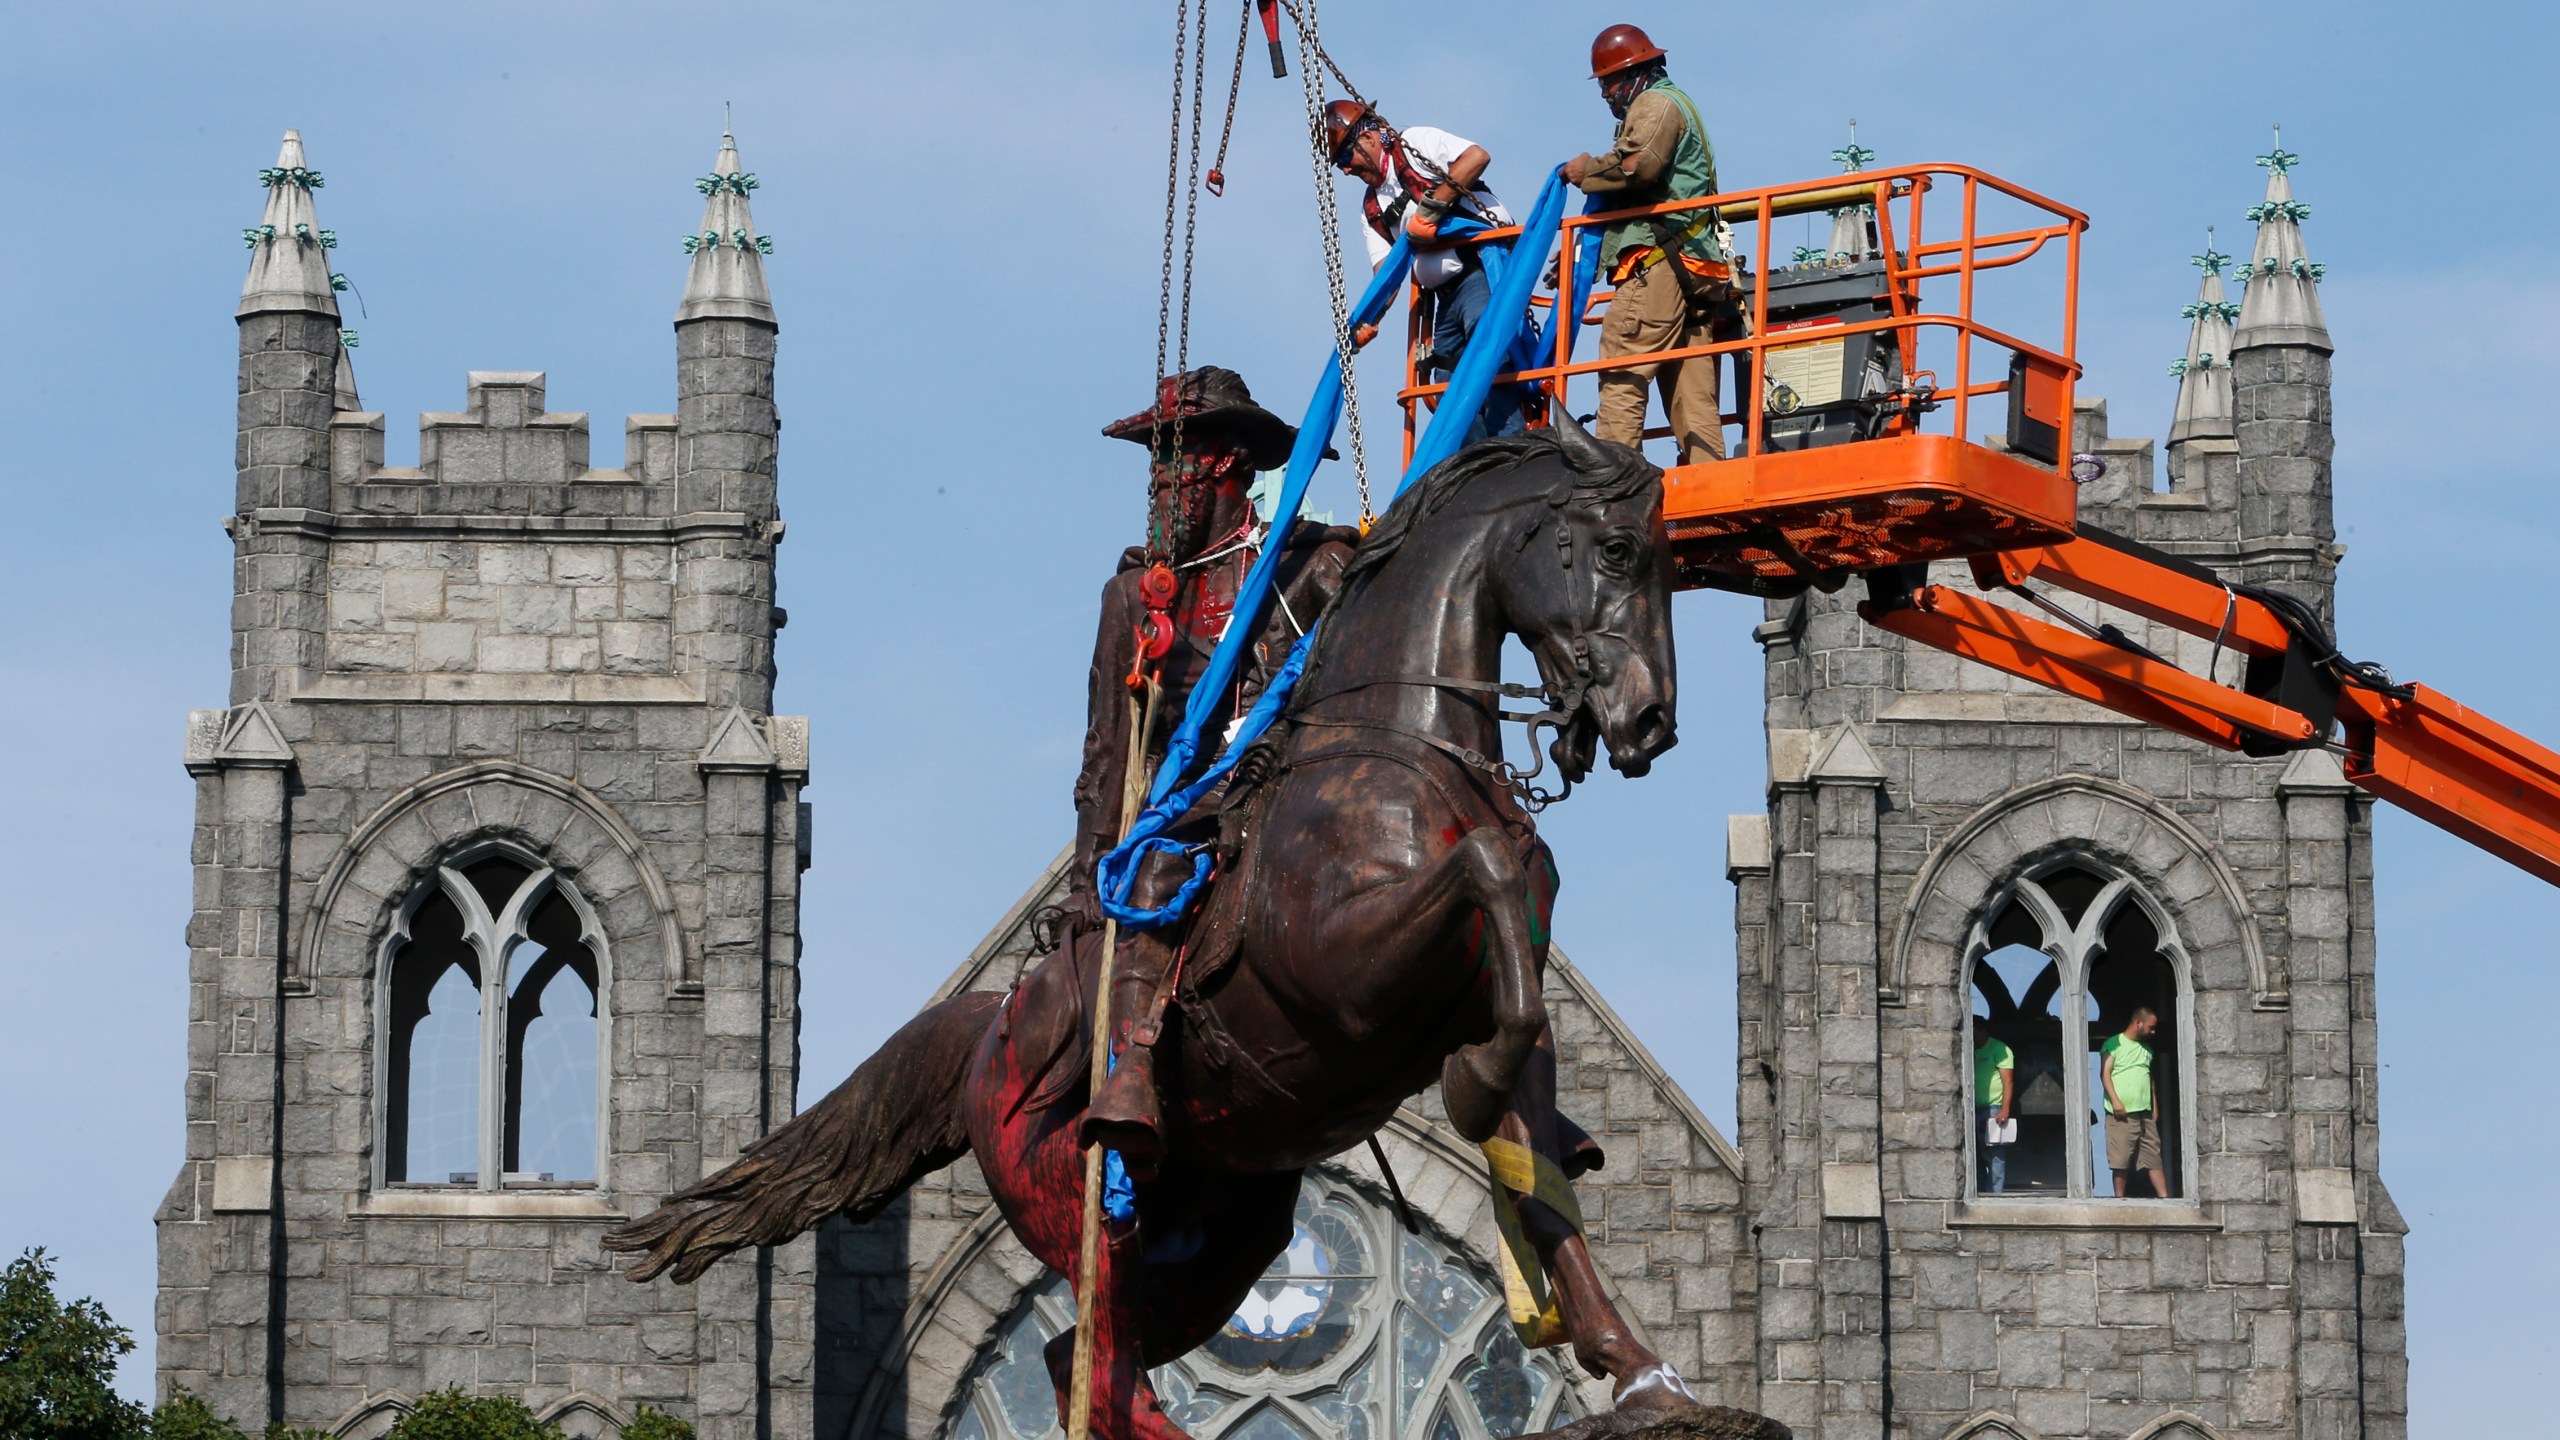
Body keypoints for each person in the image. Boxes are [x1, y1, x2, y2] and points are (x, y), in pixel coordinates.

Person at [1065, 367, 1359, 1172]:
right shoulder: (1133, 596)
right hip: (1189, 815)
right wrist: (1087, 881)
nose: (1158, 485)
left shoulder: (1316, 565)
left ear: (1230, 464)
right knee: (1152, 882)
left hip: (1301, 793)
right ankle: (1131, 1073)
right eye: (1155, 467)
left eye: (1174, 464)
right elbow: (1106, 754)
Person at [1563, 22, 1733, 466]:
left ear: (1636, 71)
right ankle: (1709, 480)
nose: (1604, 93)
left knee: (1622, 372)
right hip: (1689, 270)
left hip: (1658, 265)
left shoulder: (1655, 103)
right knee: (1690, 391)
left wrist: (1587, 172)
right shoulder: (1674, 103)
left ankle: (1610, 489)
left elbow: (1640, 166)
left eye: (1608, 81)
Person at [1325, 99, 1531, 442]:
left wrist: (1434, 207)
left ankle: (1515, 445)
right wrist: (1366, 321)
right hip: (1446, 296)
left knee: (1488, 344)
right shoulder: (1373, 207)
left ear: (1369, 138)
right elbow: (1386, 276)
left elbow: (1476, 157)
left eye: (1346, 158)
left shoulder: (1415, 145)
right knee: (1445, 384)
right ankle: (1485, 458)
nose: (1346, 170)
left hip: (1481, 267)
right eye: (1339, 165)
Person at [2100, 1006, 2170, 1198]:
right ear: (2138, 1023)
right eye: (2151, 1027)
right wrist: (2115, 1101)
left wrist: (2154, 1106)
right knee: (2120, 1160)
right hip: (2122, 1113)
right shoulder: (2114, 1044)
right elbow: (2105, 1074)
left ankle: (2165, 1199)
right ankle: (2119, 1199)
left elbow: (2149, 1079)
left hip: (2145, 1114)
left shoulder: (2147, 1049)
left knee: (2153, 1158)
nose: (2153, 1032)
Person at [1974, 1025, 2016, 1194]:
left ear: (1984, 1031)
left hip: (1992, 1109)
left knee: (1994, 1155)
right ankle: (1980, 1192)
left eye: (1975, 1033)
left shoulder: (2000, 1049)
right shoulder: (1971, 1048)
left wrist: (2004, 1109)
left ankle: (1994, 1194)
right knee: (1976, 1157)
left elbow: (2008, 1081)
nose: (1974, 1038)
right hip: (1971, 1110)